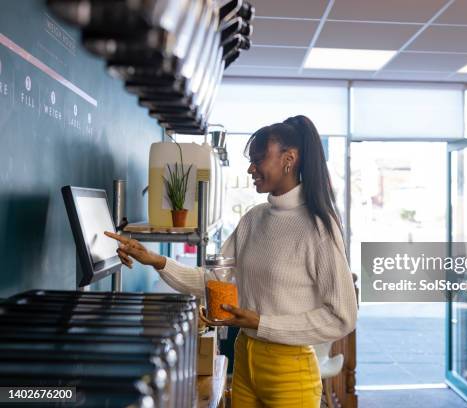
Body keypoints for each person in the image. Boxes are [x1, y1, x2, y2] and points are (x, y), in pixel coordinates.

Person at [106, 115, 358, 408]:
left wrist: (262, 323)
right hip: (244, 358)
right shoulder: (253, 219)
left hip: (291, 370)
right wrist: (155, 260)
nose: (251, 168)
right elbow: (212, 281)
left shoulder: (318, 227)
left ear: (289, 159)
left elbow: (343, 316)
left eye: (258, 159)